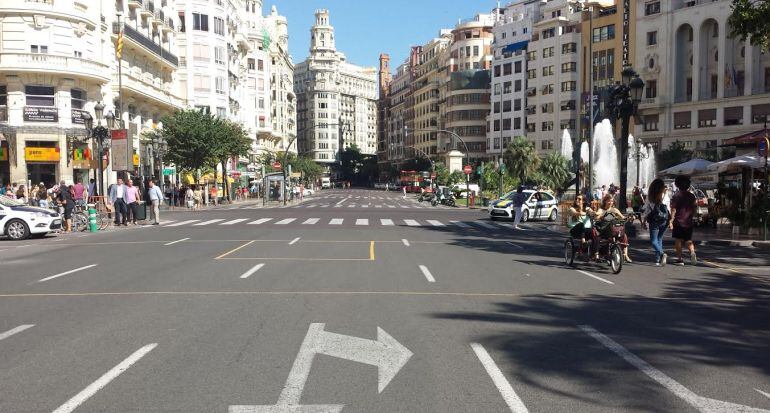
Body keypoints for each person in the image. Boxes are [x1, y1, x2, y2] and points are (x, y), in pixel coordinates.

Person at [596, 194, 632, 263]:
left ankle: (625, 254)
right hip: (604, 230)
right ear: (605, 201)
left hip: (613, 229)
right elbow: (597, 216)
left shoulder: (614, 210)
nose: (610, 203)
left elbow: (622, 217)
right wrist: (601, 215)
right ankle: (605, 253)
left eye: (611, 201)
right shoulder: (601, 210)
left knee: (623, 235)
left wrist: (629, 218)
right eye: (608, 201)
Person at [642, 178, 670, 266]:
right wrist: (670, 220)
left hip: (654, 220)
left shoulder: (651, 196)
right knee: (659, 239)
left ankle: (662, 254)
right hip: (664, 220)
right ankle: (658, 260)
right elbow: (668, 208)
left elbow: (647, 209)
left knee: (654, 240)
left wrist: (644, 221)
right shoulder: (665, 195)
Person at [670, 175, 697, 266]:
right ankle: (692, 252)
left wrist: (671, 219)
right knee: (688, 240)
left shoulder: (676, 196)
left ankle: (680, 259)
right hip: (688, 221)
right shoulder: (692, 196)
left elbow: (673, 209)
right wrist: (692, 216)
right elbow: (694, 208)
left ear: (677, 184)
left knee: (678, 240)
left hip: (678, 221)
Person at [568, 194, 598, 259]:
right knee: (581, 224)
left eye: (579, 199)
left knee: (595, 232)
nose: (577, 200)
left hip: (586, 230)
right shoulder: (572, 208)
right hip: (575, 230)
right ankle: (583, 242)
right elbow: (575, 213)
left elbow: (593, 213)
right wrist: (582, 212)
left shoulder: (587, 208)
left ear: (583, 201)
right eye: (576, 198)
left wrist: (594, 213)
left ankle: (595, 254)